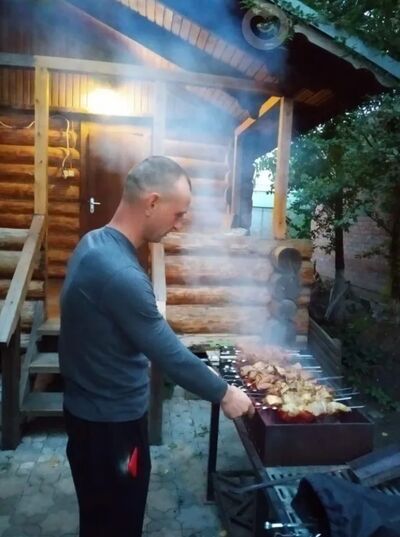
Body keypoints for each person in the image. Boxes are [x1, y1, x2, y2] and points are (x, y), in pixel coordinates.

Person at [59, 156, 254, 537]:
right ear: (151, 202)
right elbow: (168, 354)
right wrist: (225, 394)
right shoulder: (119, 272)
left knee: (97, 519)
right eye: (178, 214)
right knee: (118, 524)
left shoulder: (94, 242)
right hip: (112, 430)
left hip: (88, 416)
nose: (179, 225)